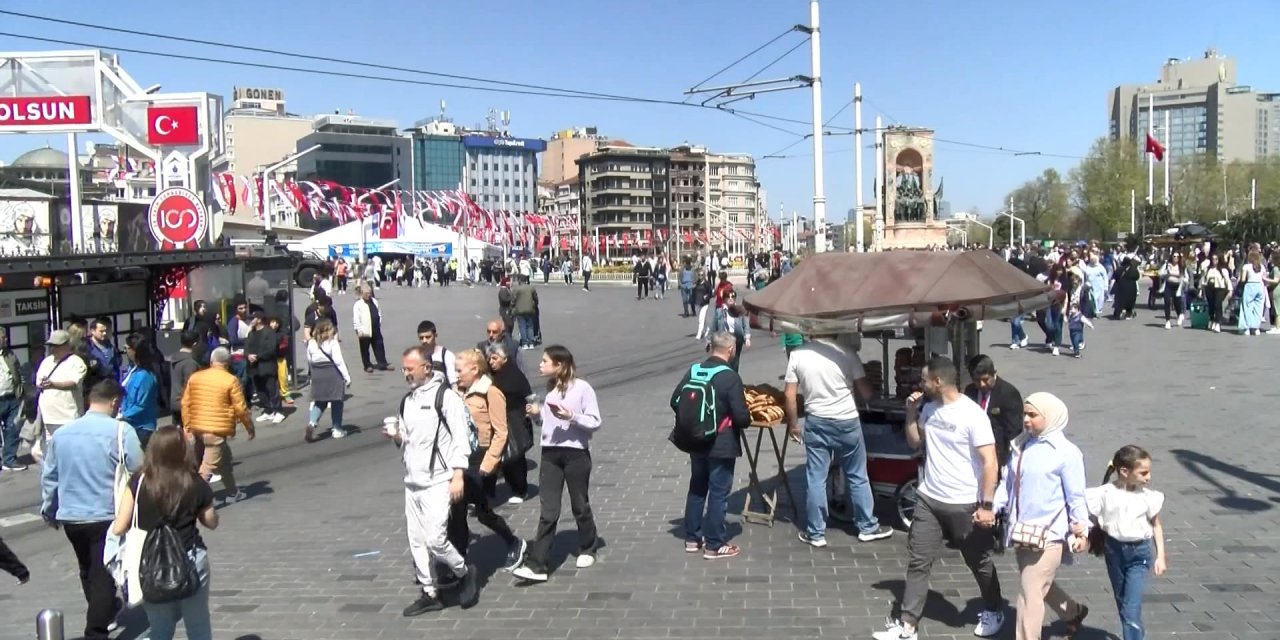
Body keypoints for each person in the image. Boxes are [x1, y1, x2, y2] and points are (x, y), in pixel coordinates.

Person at [874, 356, 1004, 640]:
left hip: (965, 503)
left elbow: (990, 462)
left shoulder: (972, 415)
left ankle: (994, 608)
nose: (920, 384)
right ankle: (908, 624)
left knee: (979, 561)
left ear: (938, 381)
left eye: (924, 380)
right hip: (928, 498)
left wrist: (986, 504)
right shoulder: (929, 408)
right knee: (918, 560)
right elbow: (914, 442)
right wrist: (910, 413)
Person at [41, 380, 144, 640]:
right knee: (102, 575)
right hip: (106, 515)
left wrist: (49, 510)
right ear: (113, 402)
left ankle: (104, 614)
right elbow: (139, 468)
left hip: (71, 517)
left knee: (87, 568)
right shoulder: (121, 431)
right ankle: (96, 631)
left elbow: (50, 477)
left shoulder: (62, 434)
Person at [993, 392, 1090, 640]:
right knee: (1036, 585)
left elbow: (1076, 496)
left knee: (1029, 593)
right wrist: (993, 506)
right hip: (1021, 532)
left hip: (1050, 536)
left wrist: (1081, 530)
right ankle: (1073, 612)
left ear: (1051, 416)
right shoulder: (1021, 444)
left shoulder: (1067, 453)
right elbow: (1008, 483)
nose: (1026, 419)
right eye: (1025, 414)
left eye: (1033, 415)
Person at [390, 346, 479, 615]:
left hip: (439, 480)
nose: (405, 373)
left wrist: (458, 475)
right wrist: (396, 436)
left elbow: (461, 439)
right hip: (413, 481)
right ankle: (430, 592)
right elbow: (407, 439)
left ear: (426, 368)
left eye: (409, 368)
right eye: (404, 368)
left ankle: (465, 572)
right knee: (416, 540)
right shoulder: (409, 400)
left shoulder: (446, 397)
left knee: (435, 539)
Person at [110, 426, 217, 640]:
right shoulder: (193, 481)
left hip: (149, 561)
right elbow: (211, 522)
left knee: (160, 628)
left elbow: (119, 527)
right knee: (198, 626)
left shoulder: (140, 481)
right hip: (190, 557)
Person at [786, 334, 892, 546]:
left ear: (810, 332)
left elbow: (789, 395)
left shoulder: (798, 354)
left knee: (816, 477)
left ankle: (816, 533)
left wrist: (793, 424)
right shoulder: (847, 353)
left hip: (817, 420)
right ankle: (867, 526)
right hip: (847, 421)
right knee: (857, 474)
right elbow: (865, 391)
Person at [512, 345, 603, 584]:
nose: (540, 365)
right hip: (550, 455)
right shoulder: (550, 388)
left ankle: (587, 547)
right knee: (548, 510)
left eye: (545, 361)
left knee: (579, 504)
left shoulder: (582, 388)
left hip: (575, 455)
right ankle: (538, 564)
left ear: (560, 365)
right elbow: (550, 422)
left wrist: (572, 417)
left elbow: (595, 422)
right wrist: (538, 413)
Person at [672, 332, 751, 559]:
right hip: (721, 443)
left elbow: (675, 400)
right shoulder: (730, 377)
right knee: (718, 492)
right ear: (731, 350)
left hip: (695, 440)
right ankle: (715, 545)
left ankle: (692, 538)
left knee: (697, 487)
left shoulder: (695, 370)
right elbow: (742, 417)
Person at [453, 349, 527, 569]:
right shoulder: (456, 392)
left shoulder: (490, 391)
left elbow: (501, 431)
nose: (456, 374)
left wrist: (489, 463)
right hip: (460, 457)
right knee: (456, 508)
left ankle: (513, 542)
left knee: (483, 512)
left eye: (460, 370)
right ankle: (460, 556)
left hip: (481, 458)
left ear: (475, 370)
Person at [1086, 445, 1167, 640]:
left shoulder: (1148, 497)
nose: (1148, 477)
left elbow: (1156, 525)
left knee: (1131, 606)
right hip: (1114, 551)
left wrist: (1161, 556)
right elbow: (1092, 519)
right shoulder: (1104, 493)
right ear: (1124, 471)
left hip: (1140, 553)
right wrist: (1081, 535)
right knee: (1122, 599)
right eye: (1143, 473)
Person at [182, 347, 255, 504]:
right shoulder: (230, 380)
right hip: (216, 431)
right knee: (206, 468)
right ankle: (191, 502)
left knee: (225, 461)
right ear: (227, 363)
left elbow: (185, 403)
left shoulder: (195, 377)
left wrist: (187, 426)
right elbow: (240, 408)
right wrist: (249, 427)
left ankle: (232, 492)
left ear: (211, 361)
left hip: (197, 428)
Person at [485, 342, 532, 503]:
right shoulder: (494, 375)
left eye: (495, 358)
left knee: (515, 455)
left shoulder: (513, 375)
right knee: (504, 455)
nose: (491, 361)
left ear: (505, 358)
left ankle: (521, 489)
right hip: (500, 418)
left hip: (515, 420)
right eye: (490, 358)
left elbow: (527, 395)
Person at [963, 355, 1023, 473]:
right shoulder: (970, 391)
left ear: (994, 373)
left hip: (998, 454)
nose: (982, 384)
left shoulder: (1008, 393)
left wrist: (1006, 460)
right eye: (977, 380)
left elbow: (1014, 431)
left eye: (986, 379)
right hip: (973, 453)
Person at [35, 330, 89, 444]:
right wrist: (45, 384)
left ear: (67, 345)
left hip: (68, 417)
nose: (52, 349)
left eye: (56, 346)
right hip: (48, 417)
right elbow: (39, 382)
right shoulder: (47, 361)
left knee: (71, 448)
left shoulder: (76, 362)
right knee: (51, 449)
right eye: (51, 345)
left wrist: (53, 384)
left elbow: (73, 383)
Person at [305, 319, 351, 441]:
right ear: (327, 330)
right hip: (332, 373)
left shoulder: (311, 343)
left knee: (319, 401)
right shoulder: (332, 343)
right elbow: (339, 361)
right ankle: (337, 428)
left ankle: (312, 423)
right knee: (337, 400)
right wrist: (347, 377)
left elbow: (310, 360)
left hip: (318, 374)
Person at [120, 333, 161, 447]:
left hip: (142, 427)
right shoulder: (132, 370)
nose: (125, 351)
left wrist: (123, 415)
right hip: (130, 424)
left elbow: (141, 404)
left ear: (135, 351)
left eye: (127, 348)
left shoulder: (145, 376)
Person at [244, 312, 283, 423]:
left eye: (253, 318)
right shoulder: (251, 333)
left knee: (272, 388)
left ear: (259, 320)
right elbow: (246, 347)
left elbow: (271, 349)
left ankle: (278, 410)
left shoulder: (269, 332)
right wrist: (248, 355)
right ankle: (268, 410)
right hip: (255, 367)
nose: (250, 320)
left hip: (267, 365)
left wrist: (258, 357)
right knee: (260, 390)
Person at [0, 330, 29, 472]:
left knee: (13, 427)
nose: (5, 340)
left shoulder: (9, 354)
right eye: (2, 337)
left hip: (11, 398)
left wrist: (23, 391)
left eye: (5, 337)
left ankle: (9, 460)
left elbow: (19, 372)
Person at [352, 286, 390, 372]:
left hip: (375, 328)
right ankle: (367, 365)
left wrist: (379, 321)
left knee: (379, 346)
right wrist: (358, 330)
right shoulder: (358, 305)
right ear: (362, 294)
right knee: (365, 349)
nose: (368, 295)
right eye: (366, 293)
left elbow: (379, 312)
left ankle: (382, 363)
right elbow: (356, 319)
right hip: (364, 331)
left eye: (369, 293)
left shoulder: (374, 301)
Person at [168, 331, 200, 428]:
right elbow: (191, 386)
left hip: (175, 401)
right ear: (195, 344)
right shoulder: (190, 363)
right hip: (185, 404)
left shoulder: (174, 359)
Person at [511, 276, 539, 349]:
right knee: (530, 326)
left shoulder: (517, 289)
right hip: (530, 309)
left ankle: (525, 343)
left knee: (522, 326)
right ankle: (531, 343)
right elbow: (535, 298)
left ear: (519, 281)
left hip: (520, 310)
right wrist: (535, 304)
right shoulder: (531, 288)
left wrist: (512, 307)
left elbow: (513, 300)